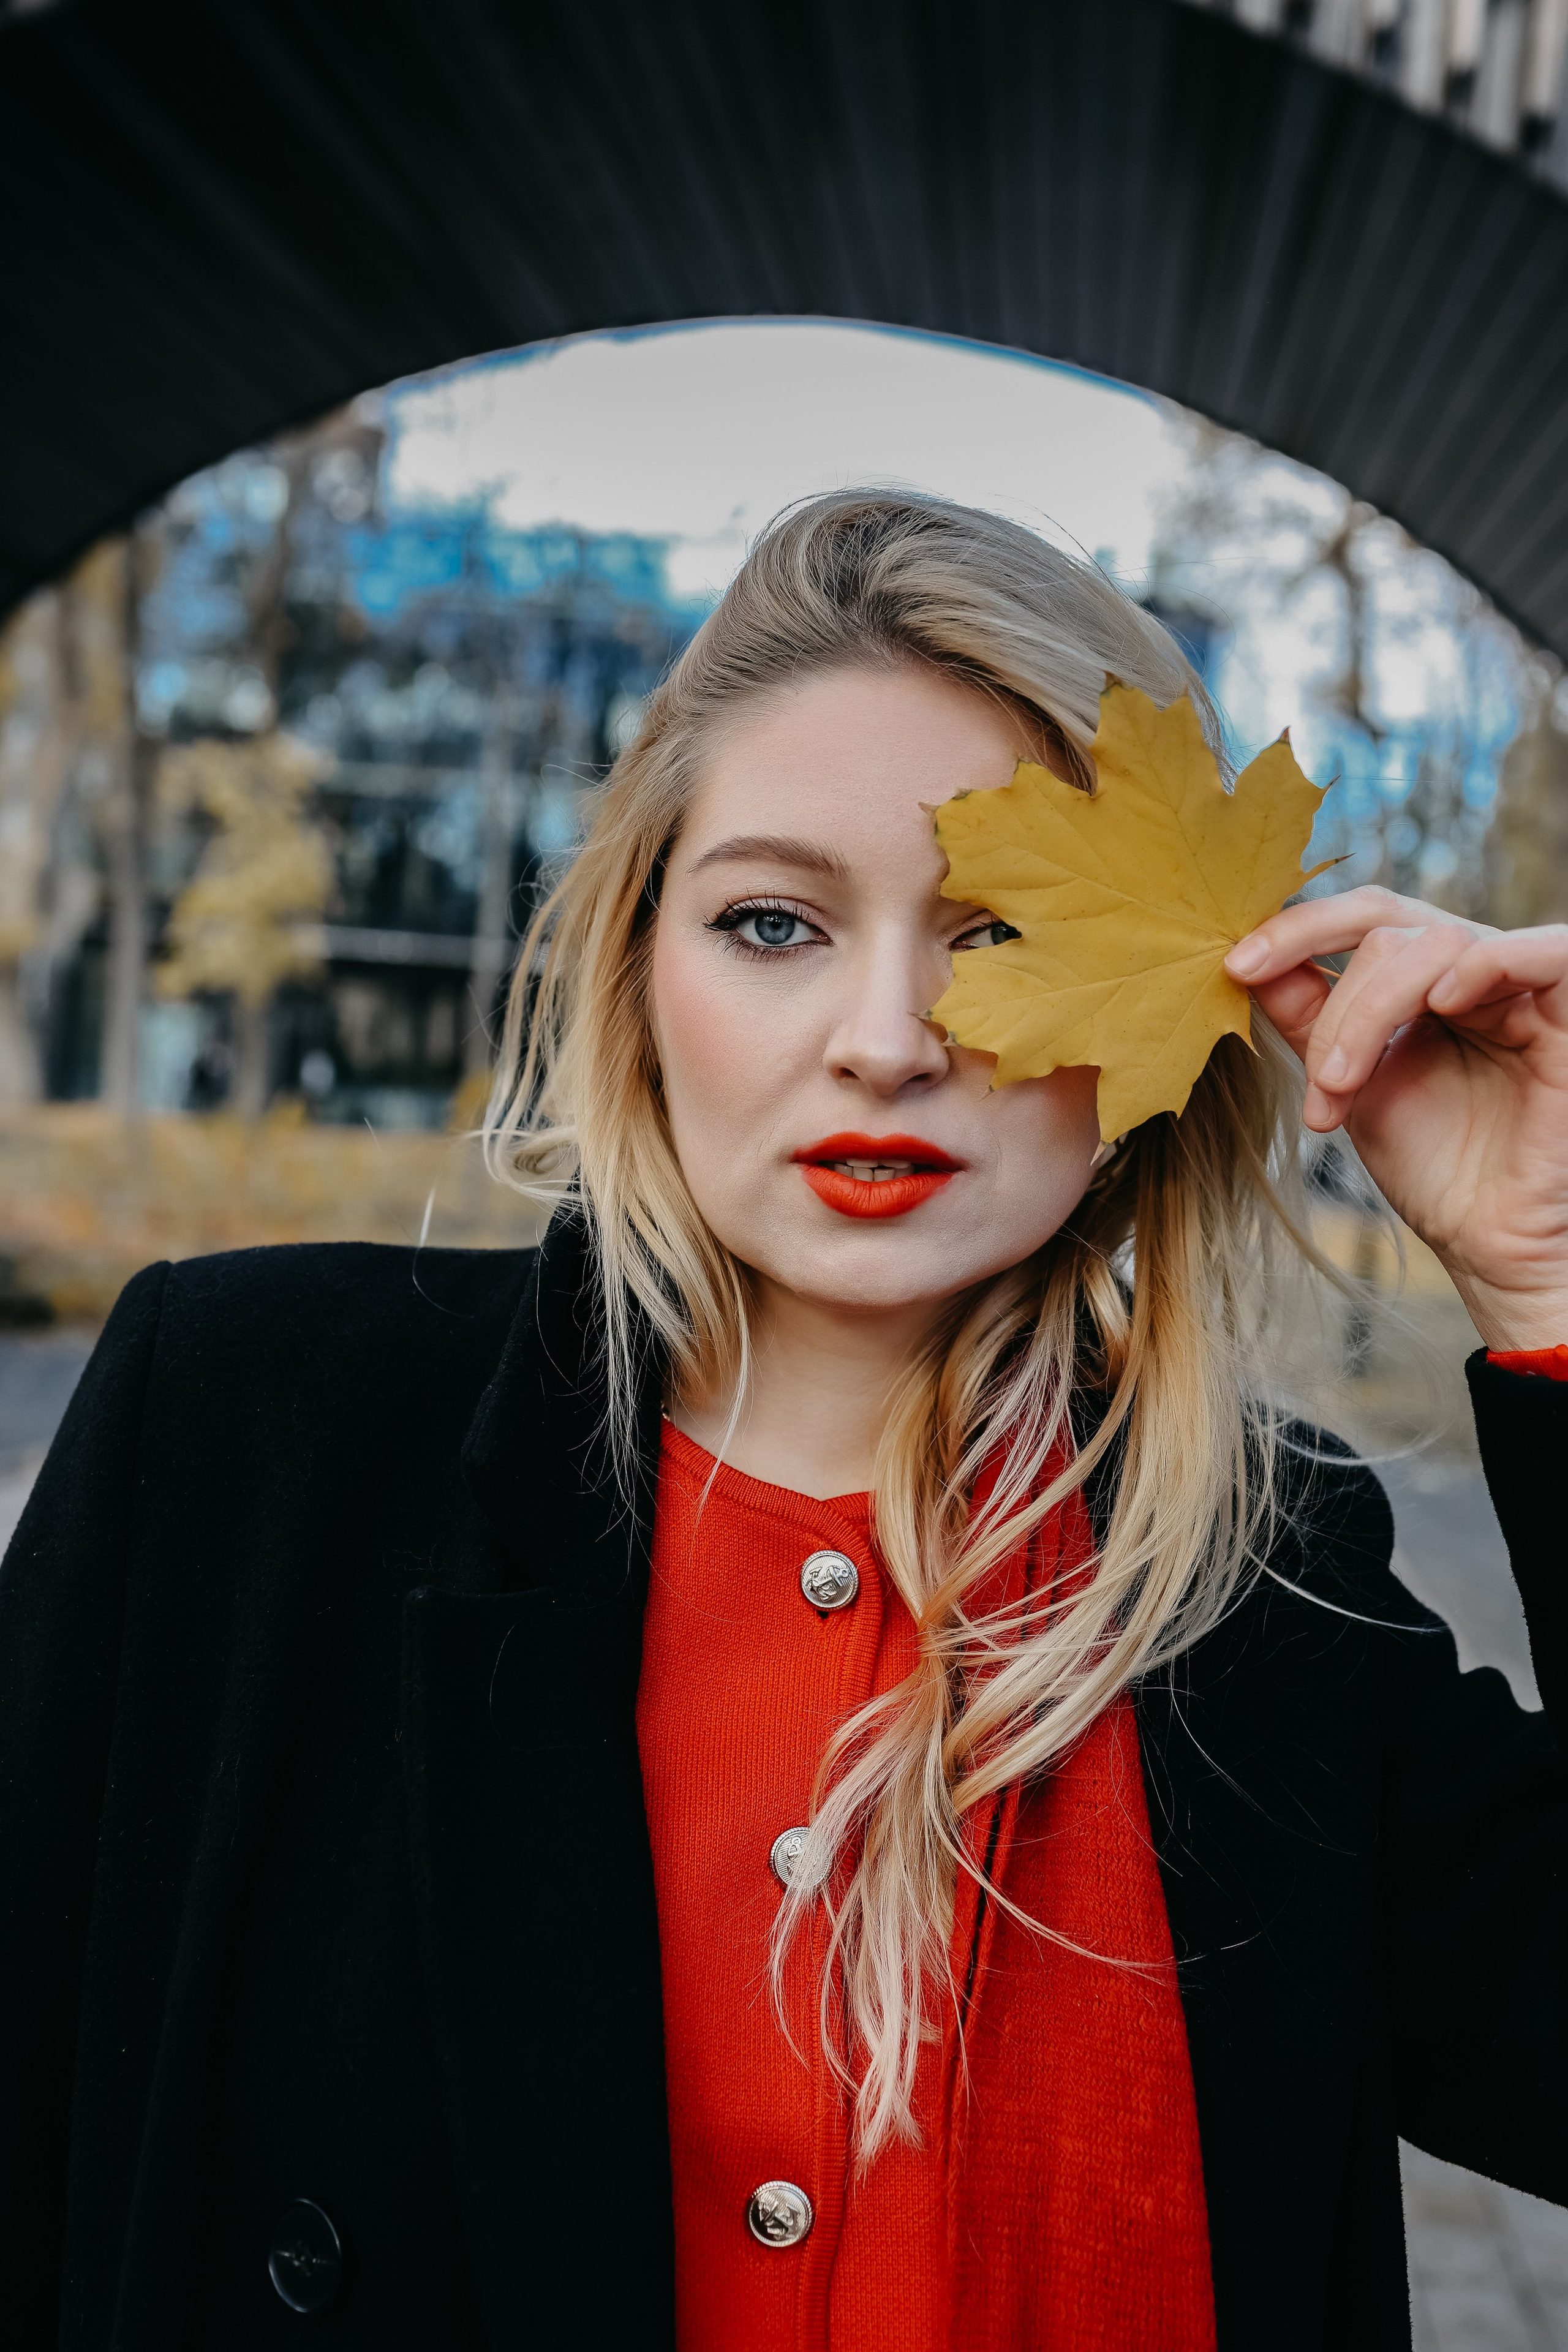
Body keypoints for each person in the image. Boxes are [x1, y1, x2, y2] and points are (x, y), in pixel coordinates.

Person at [3, 491, 1566, 2352]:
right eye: (772, 922)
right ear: (639, 972)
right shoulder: (252, 1425)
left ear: (1178, 1008)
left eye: (1005, 934)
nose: (887, 1037)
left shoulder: (1264, 1580)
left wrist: (1551, 1282)